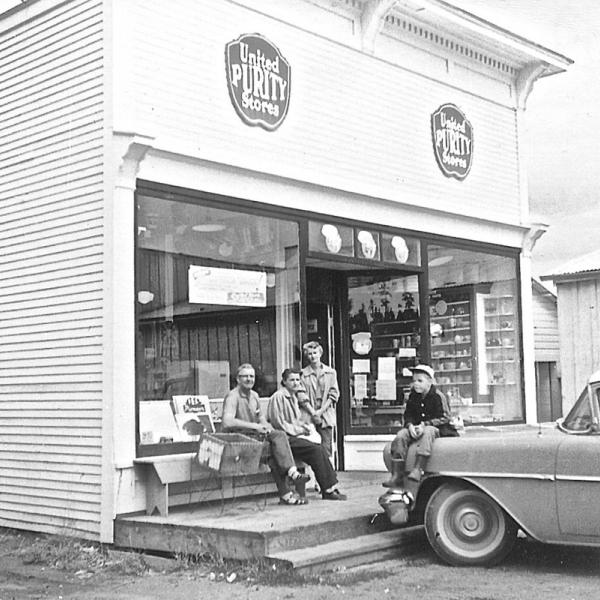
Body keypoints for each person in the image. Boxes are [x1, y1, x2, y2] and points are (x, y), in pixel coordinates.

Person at [221, 363, 310, 506]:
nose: (249, 379)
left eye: (252, 376)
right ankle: (292, 474)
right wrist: (256, 426)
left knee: (275, 451)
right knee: (279, 438)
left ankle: (286, 494)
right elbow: (227, 422)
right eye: (245, 376)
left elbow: (261, 418)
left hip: (253, 439)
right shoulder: (233, 396)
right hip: (237, 443)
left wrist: (266, 427)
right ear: (238, 379)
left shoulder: (255, 396)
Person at [268, 368, 348, 501]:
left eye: (298, 380)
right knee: (315, 450)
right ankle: (327, 489)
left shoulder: (293, 397)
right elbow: (279, 423)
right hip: (284, 440)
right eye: (292, 380)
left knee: (320, 448)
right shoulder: (279, 397)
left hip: (293, 436)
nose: (295, 383)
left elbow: (295, 421)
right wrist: (300, 430)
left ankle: (330, 486)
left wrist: (304, 427)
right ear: (284, 381)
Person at [383, 364, 458, 488]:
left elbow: (445, 417)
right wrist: (410, 425)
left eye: (420, 381)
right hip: (417, 428)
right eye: (414, 381)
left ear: (430, 382)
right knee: (401, 435)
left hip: (437, 428)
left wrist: (425, 424)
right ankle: (397, 475)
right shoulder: (413, 396)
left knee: (428, 432)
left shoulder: (438, 396)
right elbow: (408, 415)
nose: (416, 384)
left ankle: (419, 468)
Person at [298, 341, 339, 459]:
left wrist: (320, 412)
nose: (313, 356)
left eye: (315, 353)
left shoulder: (330, 372)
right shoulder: (302, 374)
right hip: (308, 415)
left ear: (320, 353)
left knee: (326, 447)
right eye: (310, 354)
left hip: (325, 415)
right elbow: (301, 396)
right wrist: (313, 412)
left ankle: (327, 476)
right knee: (310, 447)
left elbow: (333, 394)